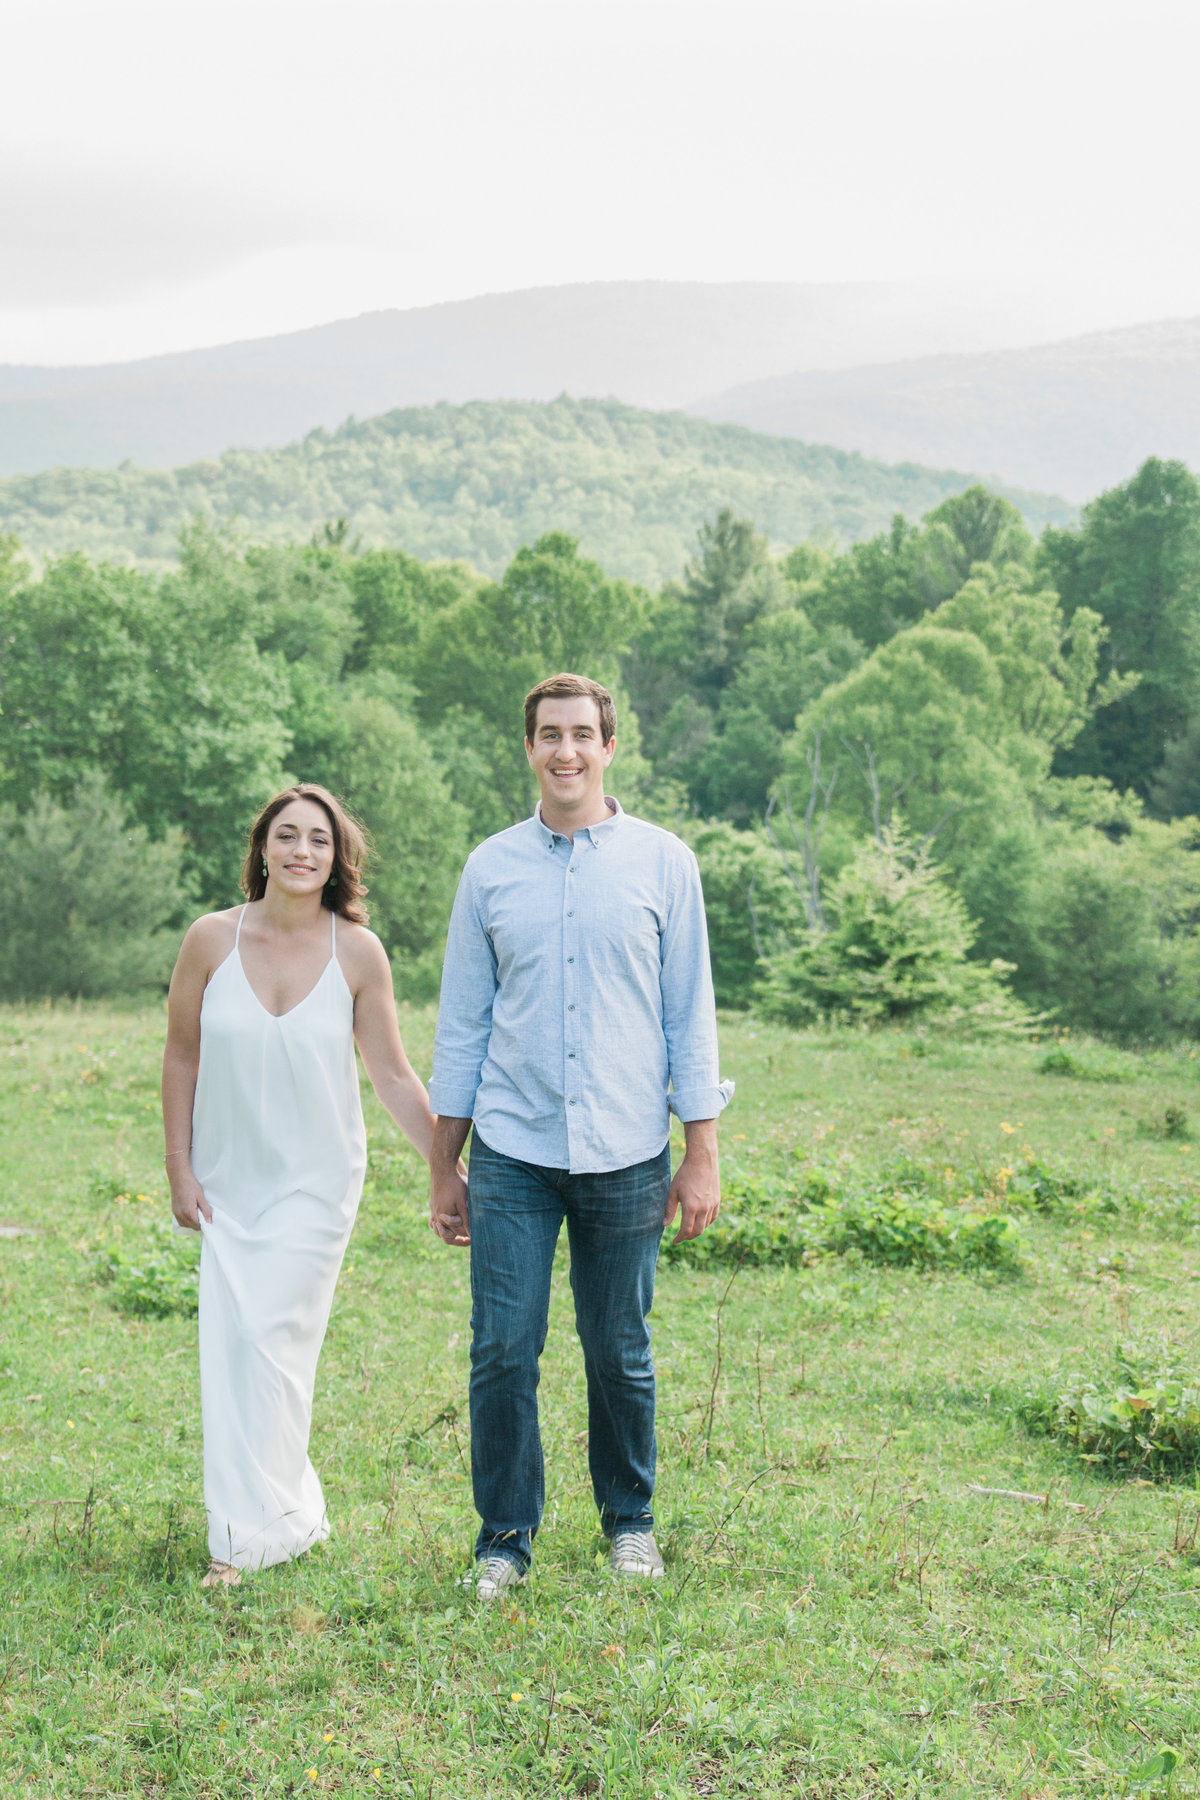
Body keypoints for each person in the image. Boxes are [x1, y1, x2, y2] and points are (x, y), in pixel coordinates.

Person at [428, 672, 732, 1598]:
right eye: (549, 735)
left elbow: (691, 1013)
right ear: (528, 749)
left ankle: (629, 1523)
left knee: (620, 1349)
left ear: (610, 747)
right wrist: (445, 1162)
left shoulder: (663, 861)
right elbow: (463, 1024)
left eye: (581, 735)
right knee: (502, 1350)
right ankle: (505, 1538)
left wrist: (702, 1151)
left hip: (628, 1153)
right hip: (514, 1152)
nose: (565, 751)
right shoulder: (489, 868)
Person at [163, 784, 443, 1587]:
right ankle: (272, 1519)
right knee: (234, 1346)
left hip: (318, 1183)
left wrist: (443, 1167)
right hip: (227, 1178)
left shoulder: (357, 952)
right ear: (261, 849)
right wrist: (179, 1166)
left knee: (277, 1347)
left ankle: (243, 1544)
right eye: (286, 836)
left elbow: (389, 1073)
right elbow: (181, 1053)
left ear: (337, 859)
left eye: (318, 840)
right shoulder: (209, 940)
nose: (300, 851)